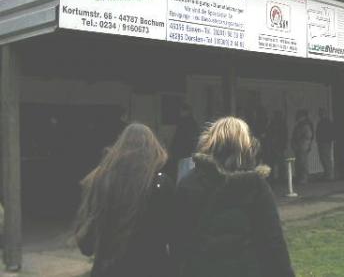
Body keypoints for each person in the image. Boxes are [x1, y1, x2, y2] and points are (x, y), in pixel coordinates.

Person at [173, 117, 295, 277]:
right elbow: (273, 241)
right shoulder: (254, 185)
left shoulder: (188, 184)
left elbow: (179, 240)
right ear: (244, 147)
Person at [75, 123, 174, 277]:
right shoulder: (160, 183)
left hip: (109, 268)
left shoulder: (100, 179)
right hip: (152, 267)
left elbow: (86, 239)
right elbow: (170, 232)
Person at [166, 103, 199, 181]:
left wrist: (172, 149)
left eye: (182, 111)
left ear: (186, 111)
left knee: (182, 172)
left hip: (183, 152)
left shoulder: (185, 123)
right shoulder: (192, 123)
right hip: (187, 153)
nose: (181, 113)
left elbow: (179, 138)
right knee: (186, 172)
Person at [264, 110, 288, 182]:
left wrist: (283, 145)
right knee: (273, 163)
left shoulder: (280, 124)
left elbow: (284, 136)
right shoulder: (273, 123)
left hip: (278, 146)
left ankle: (281, 178)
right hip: (273, 146)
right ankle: (276, 178)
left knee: (280, 163)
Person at [291, 110, 314, 184]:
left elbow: (308, 135)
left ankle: (304, 178)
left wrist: (299, 140)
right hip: (299, 145)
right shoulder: (300, 125)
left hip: (302, 145)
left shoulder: (305, 125)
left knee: (302, 162)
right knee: (299, 162)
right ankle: (300, 177)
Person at [316, 108, 335, 181]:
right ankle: (327, 173)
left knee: (326, 158)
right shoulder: (322, 122)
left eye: (321, 113)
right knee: (323, 158)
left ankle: (329, 174)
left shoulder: (326, 122)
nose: (320, 114)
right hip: (322, 142)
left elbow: (331, 132)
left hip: (325, 142)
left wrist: (328, 140)